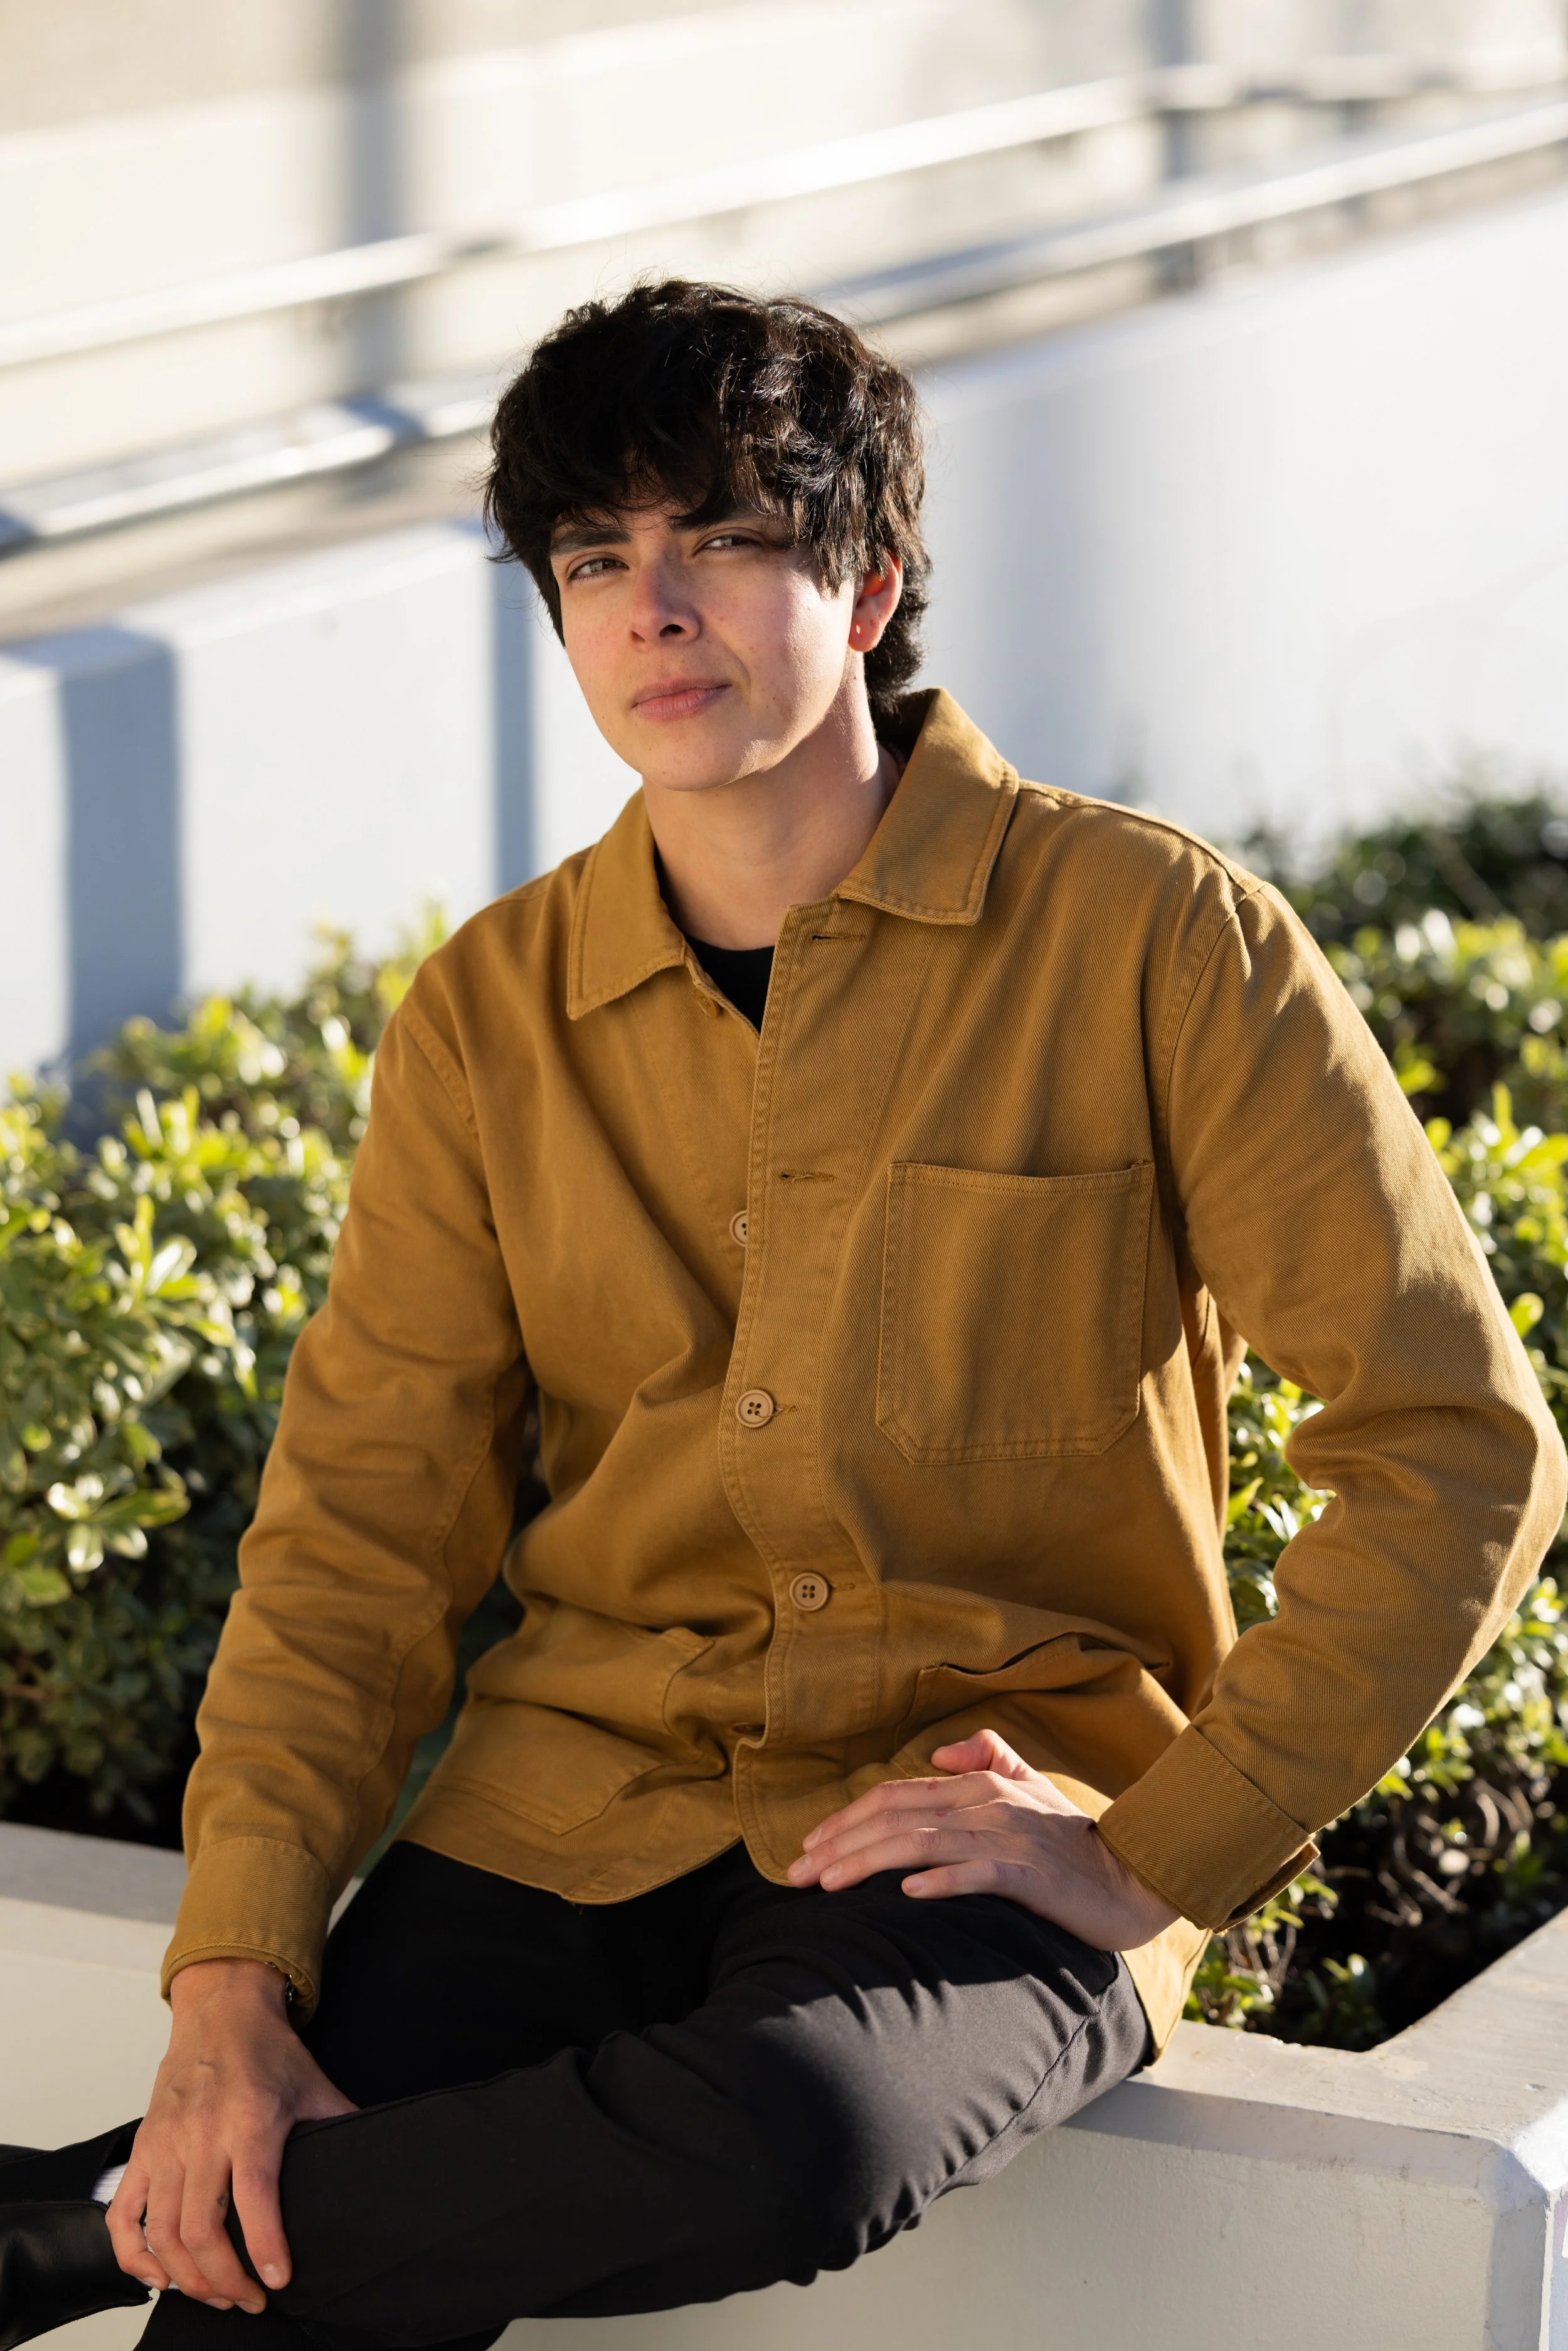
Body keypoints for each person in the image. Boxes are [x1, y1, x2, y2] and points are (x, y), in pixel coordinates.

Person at [1, 279, 1561, 2351]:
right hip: (568, 1794)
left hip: (975, 1805)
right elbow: (359, 1532)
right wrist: (230, 1993)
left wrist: (1160, 1848)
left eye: (721, 537)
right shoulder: (490, 1013)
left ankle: (54, 2232)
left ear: (867, 572)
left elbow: (1452, 1440)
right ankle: (146, 2212)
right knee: (261, 2297)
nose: (653, 609)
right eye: (593, 561)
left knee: (803, 2131)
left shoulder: (1154, 943)